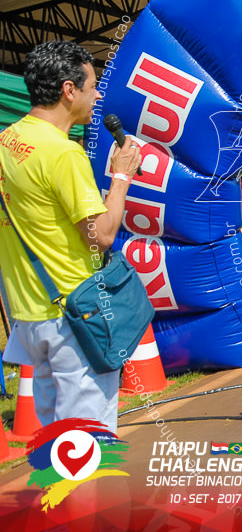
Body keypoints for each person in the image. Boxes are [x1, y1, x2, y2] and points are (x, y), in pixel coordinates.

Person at [0, 40, 143, 433]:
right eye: (92, 85)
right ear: (68, 89)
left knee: (54, 439)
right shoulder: (63, 154)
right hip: (74, 317)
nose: (97, 94)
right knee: (87, 442)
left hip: (29, 314)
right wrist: (121, 177)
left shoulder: (9, 140)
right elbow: (101, 236)